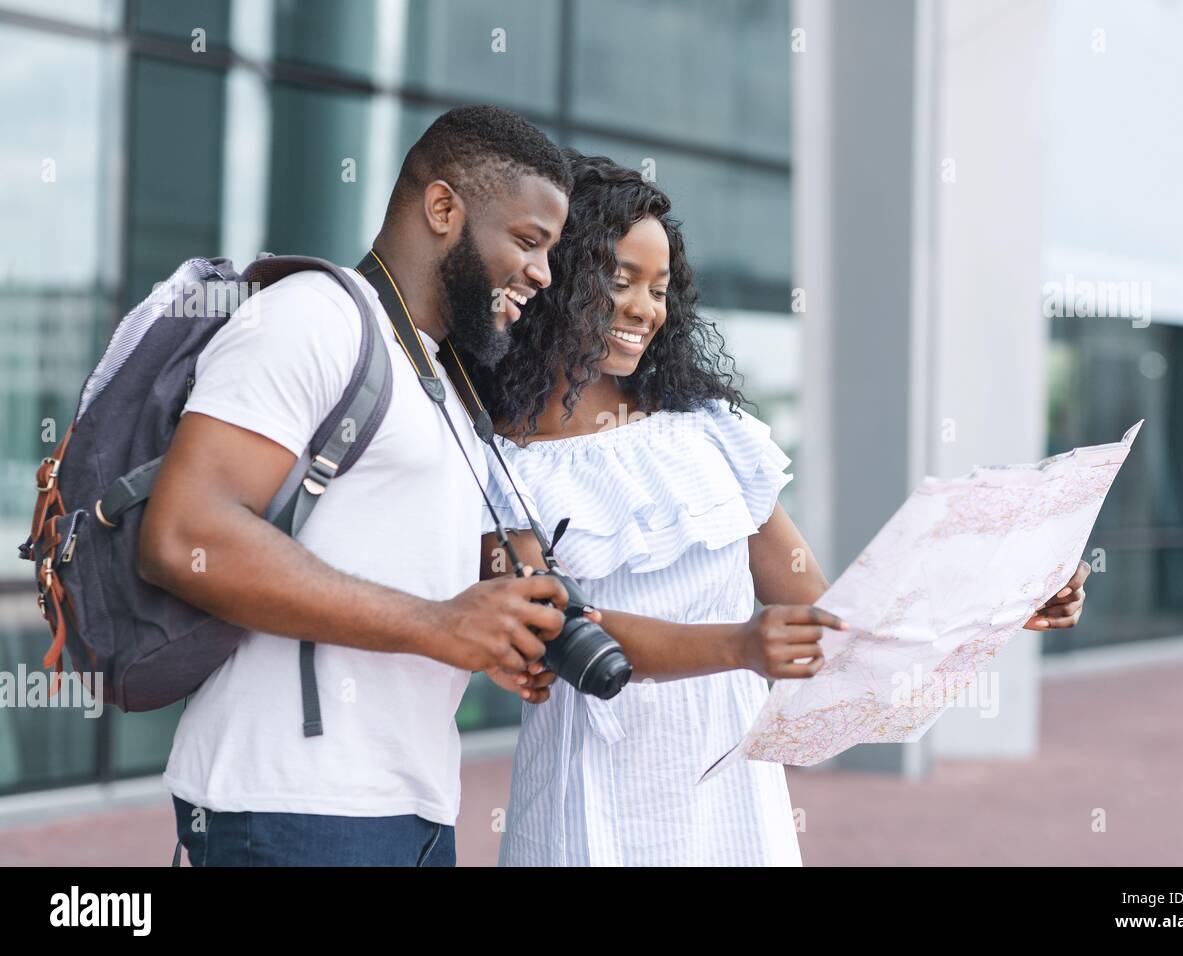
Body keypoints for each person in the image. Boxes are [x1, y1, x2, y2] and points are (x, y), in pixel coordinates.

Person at [471, 152, 1091, 866]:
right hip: (590, 805)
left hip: (731, 802)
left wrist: (1009, 593)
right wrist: (737, 647)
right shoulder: (499, 456)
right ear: (557, 280)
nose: (645, 307)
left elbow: (833, 622)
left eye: (660, 287)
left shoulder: (711, 433)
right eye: (620, 281)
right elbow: (555, 628)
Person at [141, 105, 576, 866]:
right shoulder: (313, 316)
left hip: (410, 806)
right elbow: (185, 537)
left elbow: (389, 558)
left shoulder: (438, 374)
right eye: (528, 241)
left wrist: (495, 627)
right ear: (444, 208)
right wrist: (439, 623)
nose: (542, 272)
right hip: (292, 803)